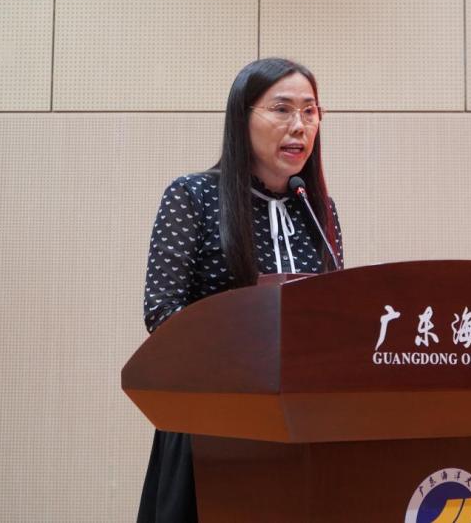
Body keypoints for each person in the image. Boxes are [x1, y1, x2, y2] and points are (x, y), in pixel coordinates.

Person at [136, 57, 344, 522]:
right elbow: (162, 312)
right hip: (211, 422)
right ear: (241, 117)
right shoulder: (194, 196)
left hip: (303, 430)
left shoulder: (318, 209)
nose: (299, 126)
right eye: (282, 109)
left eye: (310, 111)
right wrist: (246, 350)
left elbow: (334, 318)